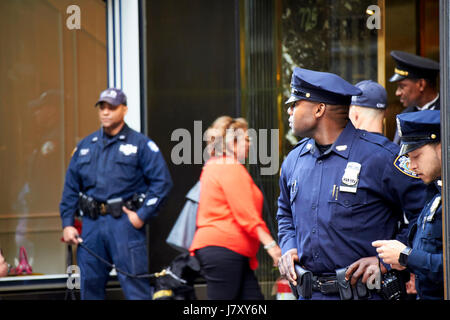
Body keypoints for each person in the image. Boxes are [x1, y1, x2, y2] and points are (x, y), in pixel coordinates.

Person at [276, 67, 428, 300]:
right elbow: (285, 212)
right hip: (310, 293)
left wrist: (389, 260)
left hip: (365, 293)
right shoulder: (294, 161)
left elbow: (427, 212)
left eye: (295, 103)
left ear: (319, 109)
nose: (289, 110)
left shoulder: (380, 156)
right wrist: (289, 246)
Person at [60, 88, 173, 300]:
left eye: (111, 107)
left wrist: (142, 216)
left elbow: (162, 183)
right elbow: (70, 188)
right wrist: (67, 223)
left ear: (124, 110)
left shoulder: (140, 145)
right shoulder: (85, 146)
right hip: (91, 226)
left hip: (124, 224)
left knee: (135, 289)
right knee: (89, 289)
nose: (105, 112)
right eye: (102, 107)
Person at [189, 116, 282, 300]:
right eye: (246, 139)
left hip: (228, 250)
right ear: (232, 142)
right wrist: (272, 246)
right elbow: (246, 214)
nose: (250, 143)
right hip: (225, 249)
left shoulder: (215, 165)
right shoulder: (229, 167)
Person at [373, 110, 443, 300]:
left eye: (416, 156)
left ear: (440, 148)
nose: (411, 166)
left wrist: (406, 257)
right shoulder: (434, 192)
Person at [389, 50, 440, 144]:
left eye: (402, 86)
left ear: (421, 84)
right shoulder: (405, 115)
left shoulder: (445, 113)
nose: (397, 93)